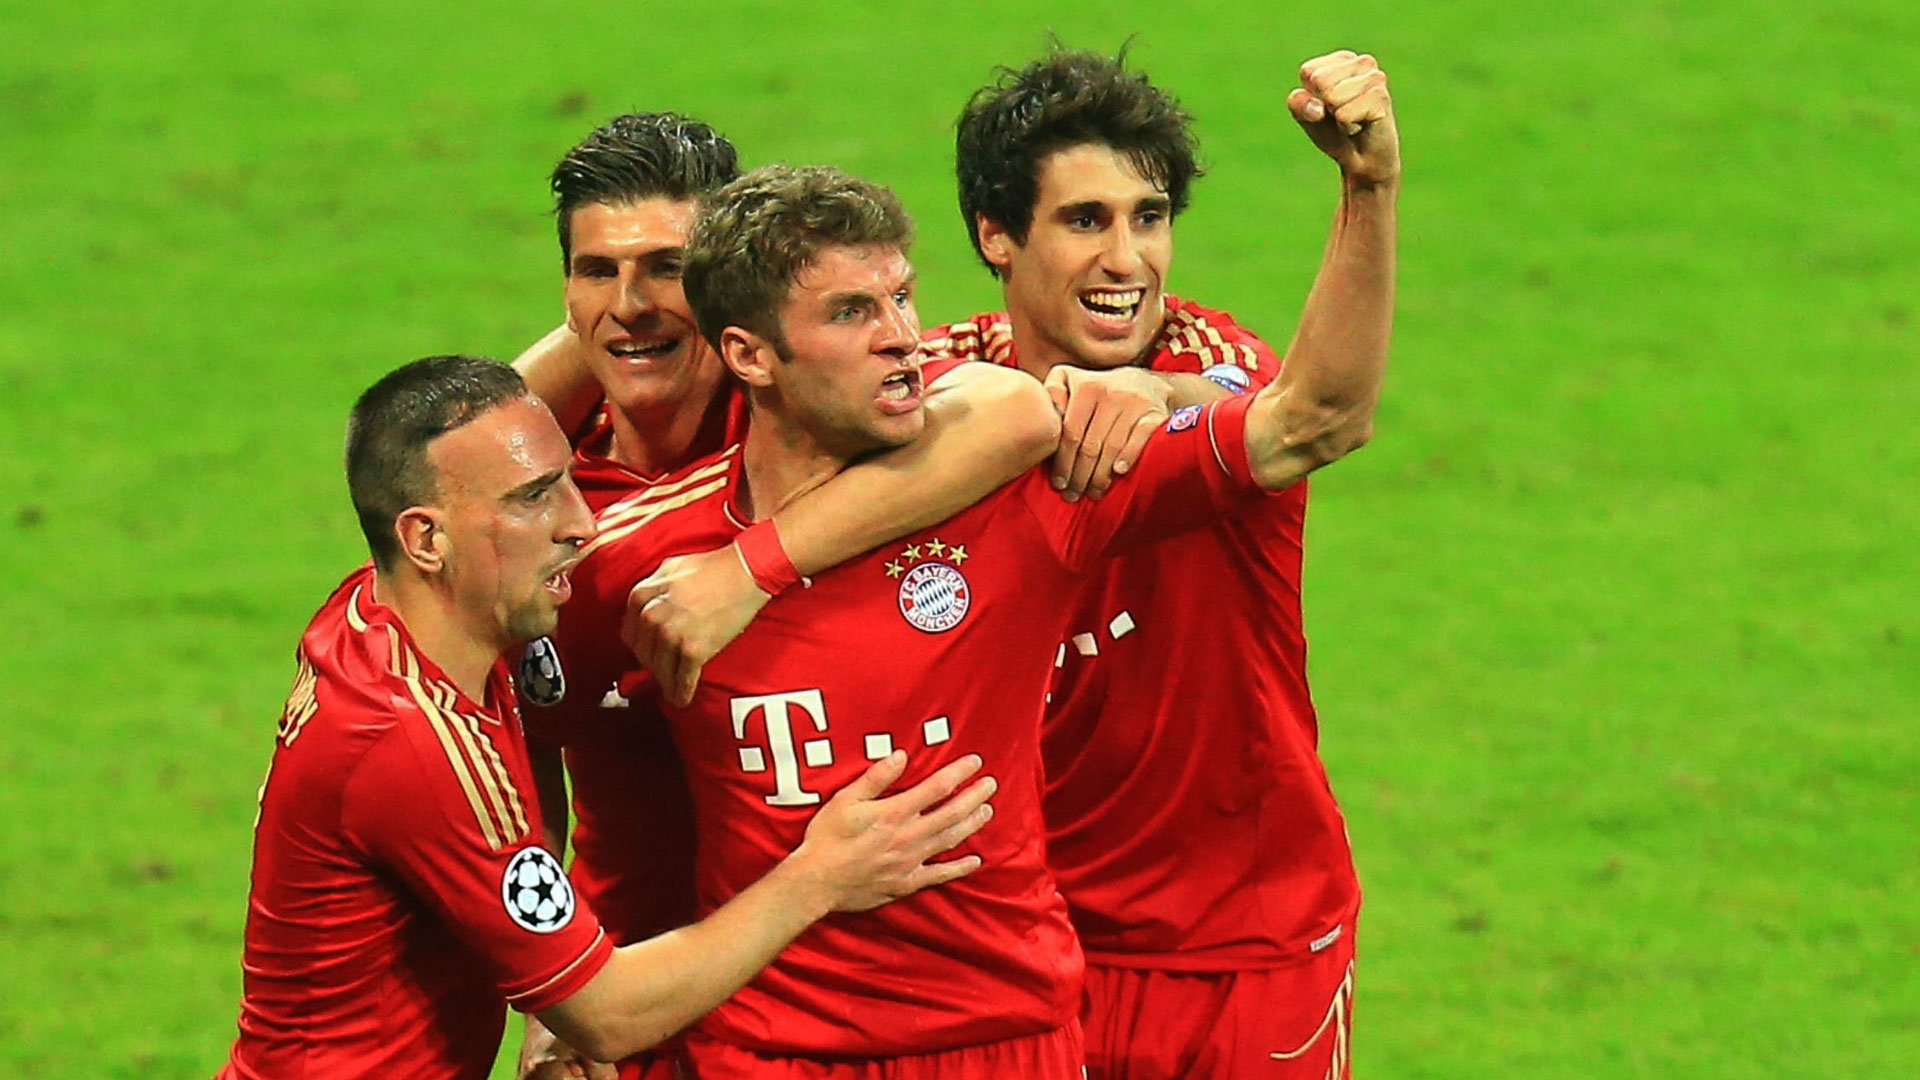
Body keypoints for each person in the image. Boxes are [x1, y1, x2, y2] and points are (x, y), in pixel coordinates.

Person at [551, 152, 1387, 1079]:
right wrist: (563, 993)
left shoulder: (1020, 491)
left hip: (1003, 1042)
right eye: (851, 313)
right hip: (765, 1051)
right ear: (749, 354)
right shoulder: (642, 565)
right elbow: (510, 738)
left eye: (903, 299)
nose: (905, 337)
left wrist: (1370, 189)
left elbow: (1307, 421)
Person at [216, 355, 996, 1080]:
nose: (580, 523)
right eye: (532, 498)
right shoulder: (410, 742)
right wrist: (819, 875)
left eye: (565, 482)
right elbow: (610, 1014)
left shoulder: (386, 613)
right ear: (425, 537)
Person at [508, 112, 1069, 1080]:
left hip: (827, 997)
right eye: (597, 273)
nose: (632, 306)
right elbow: (501, 718)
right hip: (642, 984)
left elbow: (1013, 410)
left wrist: (752, 565)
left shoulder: (812, 418)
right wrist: (552, 989)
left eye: (666, 270)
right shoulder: (554, 505)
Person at [922, 48, 1399, 1079]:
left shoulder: (1212, 365)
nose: (1128, 258)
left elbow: (1317, 412)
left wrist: (1369, 186)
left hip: (1244, 950)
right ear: (994, 235)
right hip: (1023, 956)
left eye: (1149, 216)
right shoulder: (933, 393)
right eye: (1086, 220)